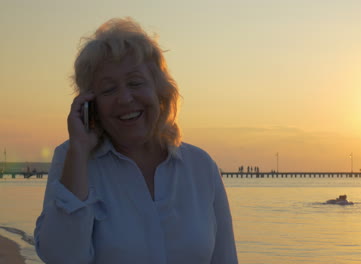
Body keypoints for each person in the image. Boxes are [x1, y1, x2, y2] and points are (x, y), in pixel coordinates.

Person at [34, 17, 238, 264]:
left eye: (135, 83)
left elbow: (225, 258)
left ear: (159, 90)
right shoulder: (73, 159)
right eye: (108, 89)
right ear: (90, 104)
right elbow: (61, 257)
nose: (125, 98)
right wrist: (79, 152)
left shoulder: (200, 166)